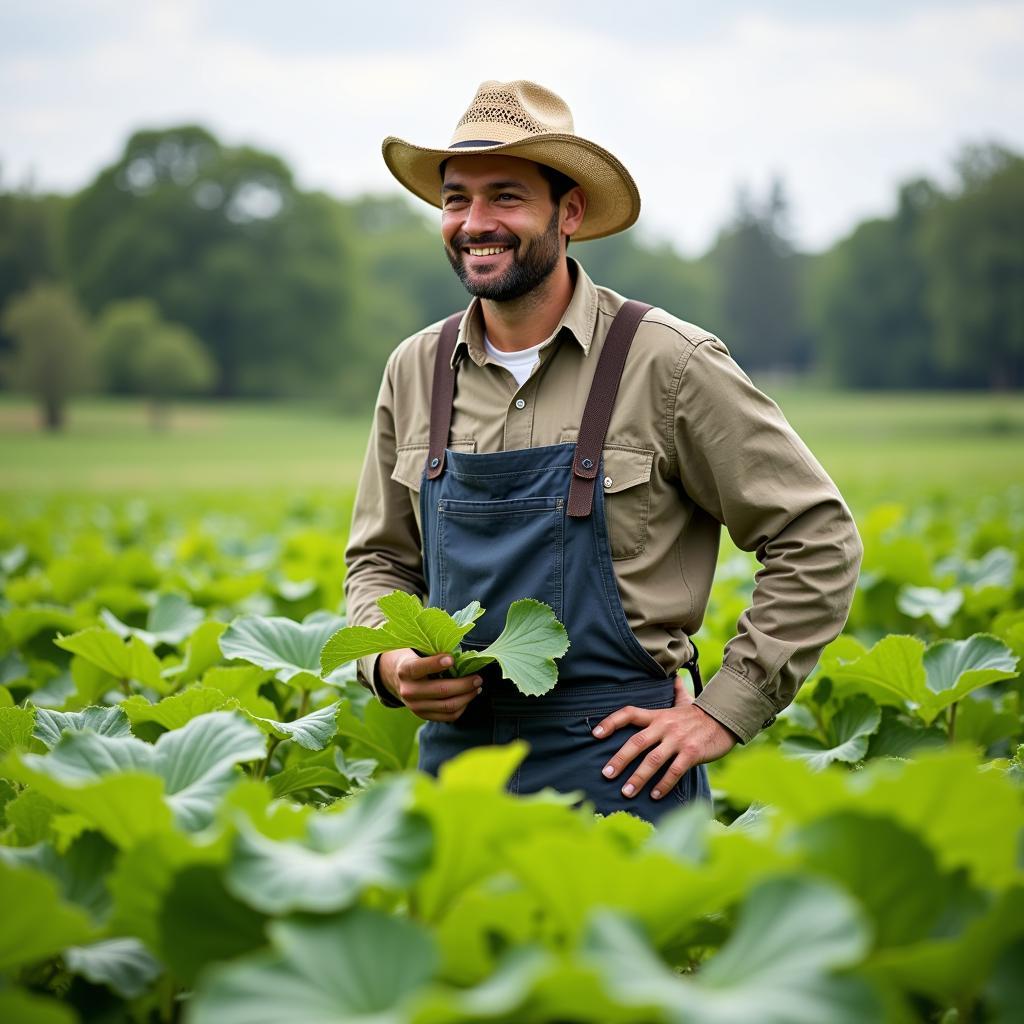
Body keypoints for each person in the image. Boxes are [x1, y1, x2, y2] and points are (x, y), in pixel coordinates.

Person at [344, 80, 862, 824]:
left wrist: (724, 710)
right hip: (456, 780)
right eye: (457, 199)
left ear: (571, 212)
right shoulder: (415, 369)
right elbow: (379, 562)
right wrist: (389, 665)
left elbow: (816, 535)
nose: (474, 223)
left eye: (506, 197)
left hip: (622, 772)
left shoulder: (669, 362)